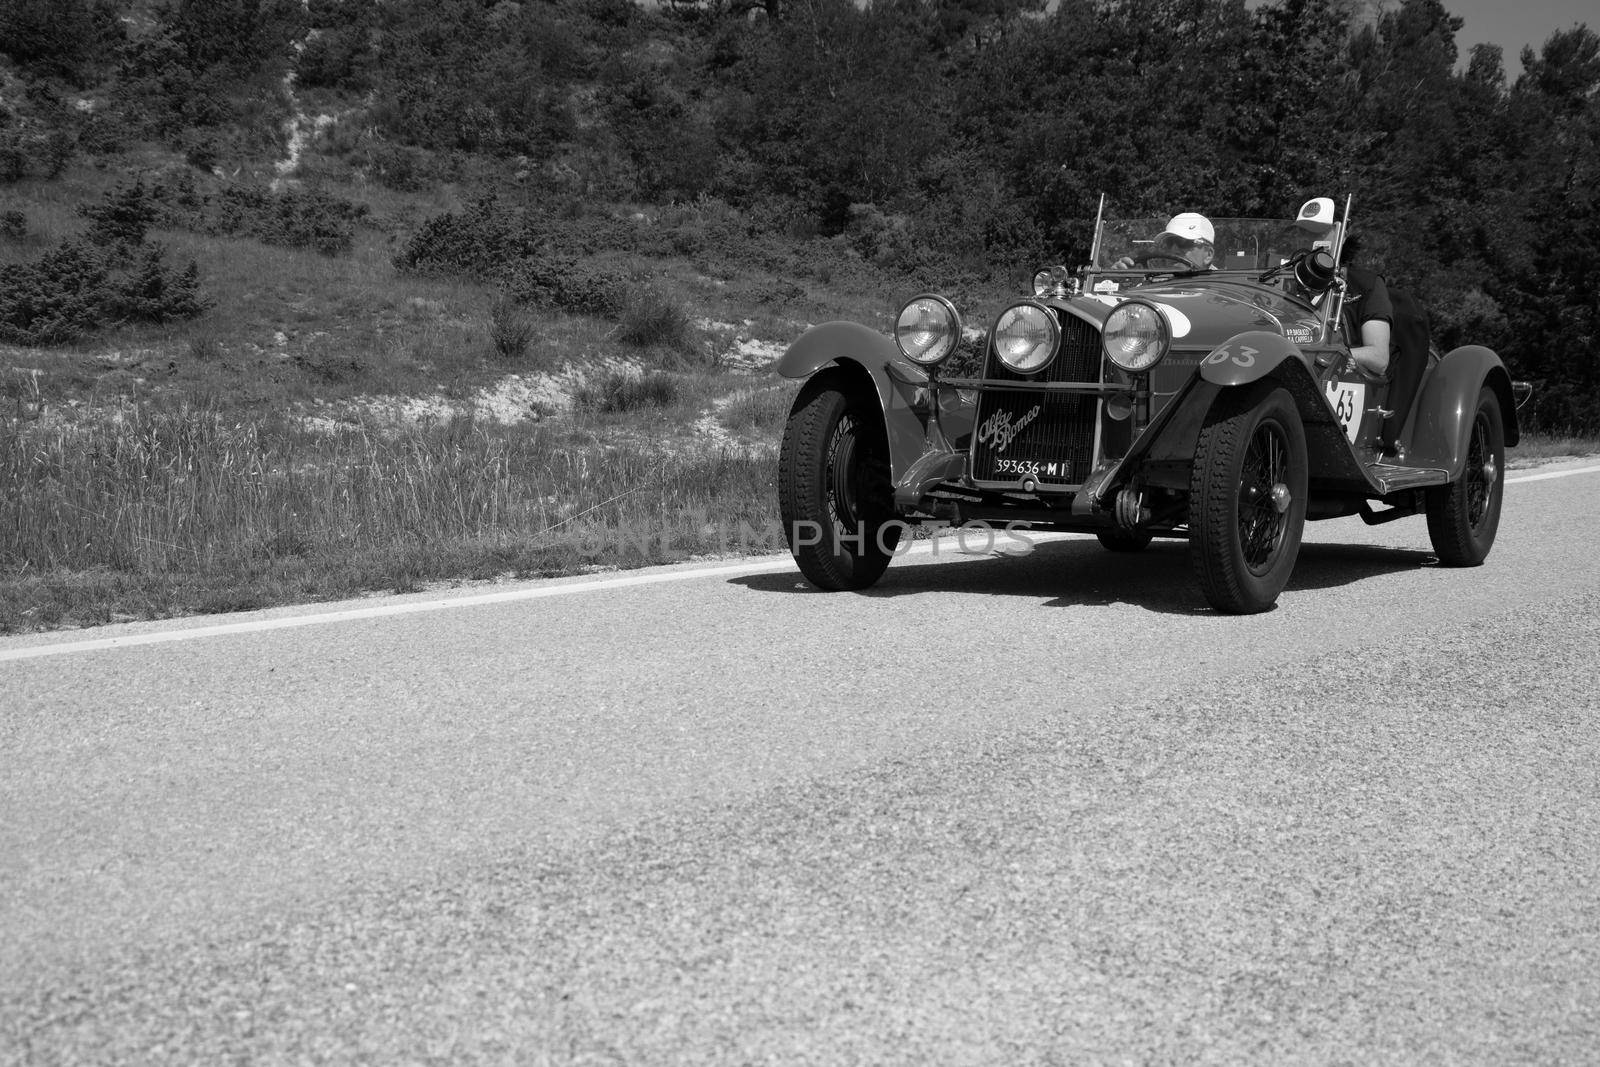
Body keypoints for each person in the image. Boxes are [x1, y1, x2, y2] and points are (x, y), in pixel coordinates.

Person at [1338, 233, 1392, 378]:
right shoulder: (1282, 280)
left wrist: (1333, 354)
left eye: (1322, 234)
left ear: (1340, 237)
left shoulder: (1366, 285)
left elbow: (1379, 357)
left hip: (1346, 380)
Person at [1112, 212, 1216, 271]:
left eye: (1182, 242)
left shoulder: (1222, 292)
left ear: (1208, 255)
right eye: (1169, 242)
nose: (1174, 249)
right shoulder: (1155, 281)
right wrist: (1119, 282)